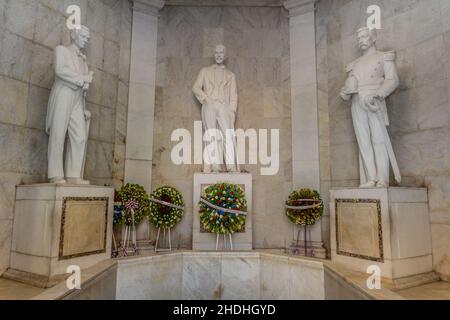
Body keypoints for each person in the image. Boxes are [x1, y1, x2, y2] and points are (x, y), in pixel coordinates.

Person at [340, 27, 400, 188]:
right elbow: (349, 86)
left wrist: (379, 94)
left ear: (373, 38)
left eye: (364, 37)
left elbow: (392, 80)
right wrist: (345, 92)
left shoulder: (383, 57)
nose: (361, 40)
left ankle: (382, 179)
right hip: (357, 101)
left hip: (374, 99)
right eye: (358, 38)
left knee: (378, 140)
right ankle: (371, 178)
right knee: (364, 141)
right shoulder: (354, 64)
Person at [46, 25, 94, 184]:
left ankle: (73, 175)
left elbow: (83, 86)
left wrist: (83, 106)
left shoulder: (83, 60)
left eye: (88, 38)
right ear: (74, 35)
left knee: (80, 136)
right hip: (63, 93)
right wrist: (83, 79)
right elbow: (60, 70)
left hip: (77, 99)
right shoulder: (61, 50)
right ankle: (55, 174)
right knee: (58, 133)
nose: (86, 40)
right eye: (83, 37)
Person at [193, 44, 240, 173]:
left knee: (228, 136)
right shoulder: (205, 71)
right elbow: (196, 87)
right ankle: (214, 166)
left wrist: (232, 111)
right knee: (211, 135)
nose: (219, 55)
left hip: (224, 107)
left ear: (225, 55)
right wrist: (205, 99)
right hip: (209, 105)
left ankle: (231, 166)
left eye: (221, 53)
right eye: (216, 53)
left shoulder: (231, 75)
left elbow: (233, 95)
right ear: (214, 55)